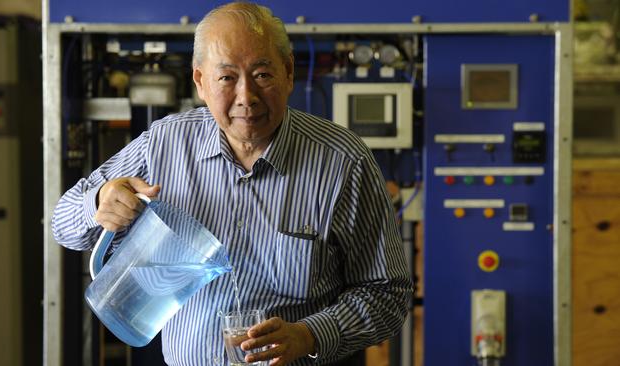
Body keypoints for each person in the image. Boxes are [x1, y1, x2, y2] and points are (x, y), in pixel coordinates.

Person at [52, 2, 413, 365]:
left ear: (288, 73)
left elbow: (388, 293)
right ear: (201, 83)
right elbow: (62, 224)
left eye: (262, 75)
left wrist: (308, 335)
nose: (246, 97)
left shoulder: (342, 162)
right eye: (226, 78)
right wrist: (99, 201)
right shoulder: (165, 144)